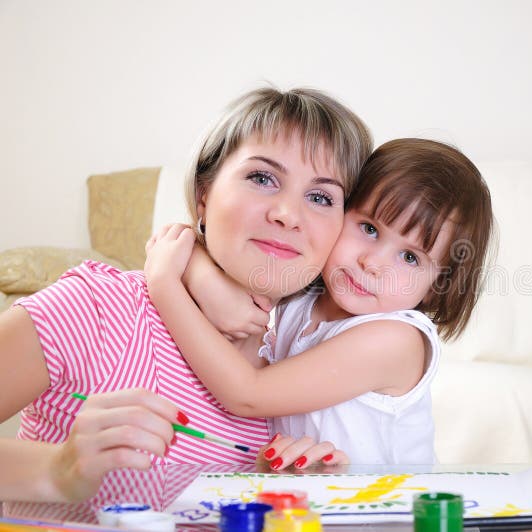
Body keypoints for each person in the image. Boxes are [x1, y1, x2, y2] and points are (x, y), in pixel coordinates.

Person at [0, 85, 373, 502]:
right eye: (262, 178)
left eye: (321, 197)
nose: (287, 215)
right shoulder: (97, 307)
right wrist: (55, 472)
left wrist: (267, 493)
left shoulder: (307, 377)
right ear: (203, 195)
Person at [144, 138, 494, 465]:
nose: (372, 263)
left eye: (410, 257)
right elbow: (218, 248)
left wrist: (165, 284)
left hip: (392, 516)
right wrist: (205, 278)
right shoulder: (308, 293)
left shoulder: (396, 340)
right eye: (369, 229)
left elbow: (248, 393)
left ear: (438, 285)